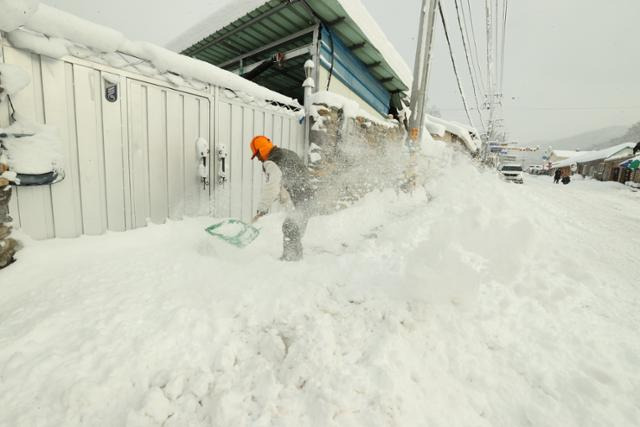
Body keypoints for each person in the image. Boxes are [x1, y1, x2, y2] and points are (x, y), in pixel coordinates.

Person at [250, 135, 314, 261]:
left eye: (257, 155)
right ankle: (295, 257)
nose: (258, 159)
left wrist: (262, 207)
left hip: (302, 199)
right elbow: (287, 179)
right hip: (308, 197)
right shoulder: (287, 153)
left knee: (289, 226)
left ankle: (291, 260)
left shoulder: (272, 161)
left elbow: (272, 186)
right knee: (293, 227)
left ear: (261, 150)